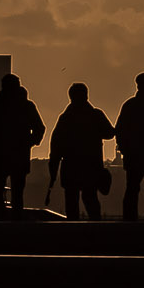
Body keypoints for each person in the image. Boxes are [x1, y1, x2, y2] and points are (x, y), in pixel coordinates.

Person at [47, 82, 116, 219]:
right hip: (91, 165)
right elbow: (109, 133)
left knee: (72, 201)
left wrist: (53, 169)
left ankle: (73, 229)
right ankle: (95, 228)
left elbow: (56, 146)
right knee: (90, 198)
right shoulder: (95, 115)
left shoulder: (65, 118)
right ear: (86, 95)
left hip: (71, 166)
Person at [0, 74, 44, 216]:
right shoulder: (25, 106)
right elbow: (40, 128)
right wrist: (29, 143)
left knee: (0, 192)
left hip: (2, 155)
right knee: (16, 193)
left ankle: (1, 219)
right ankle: (15, 220)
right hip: (17, 156)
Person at [113, 72, 144, 221]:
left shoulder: (130, 105)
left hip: (133, 155)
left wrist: (125, 149)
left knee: (132, 189)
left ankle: (129, 220)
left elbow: (119, 130)